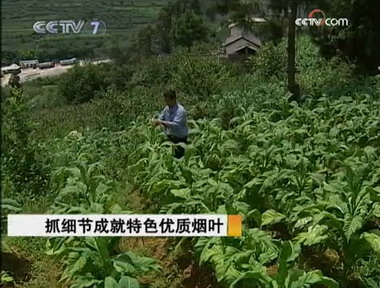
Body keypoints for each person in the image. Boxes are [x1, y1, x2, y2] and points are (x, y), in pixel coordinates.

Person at [152, 90, 188, 158]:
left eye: (167, 101)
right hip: (170, 138)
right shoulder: (167, 109)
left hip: (179, 139)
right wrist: (155, 122)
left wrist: (161, 122)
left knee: (179, 160)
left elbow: (175, 125)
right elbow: (161, 117)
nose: (166, 103)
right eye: (165, 100)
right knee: (169, 158)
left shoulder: (180, 110)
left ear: (174, 99)